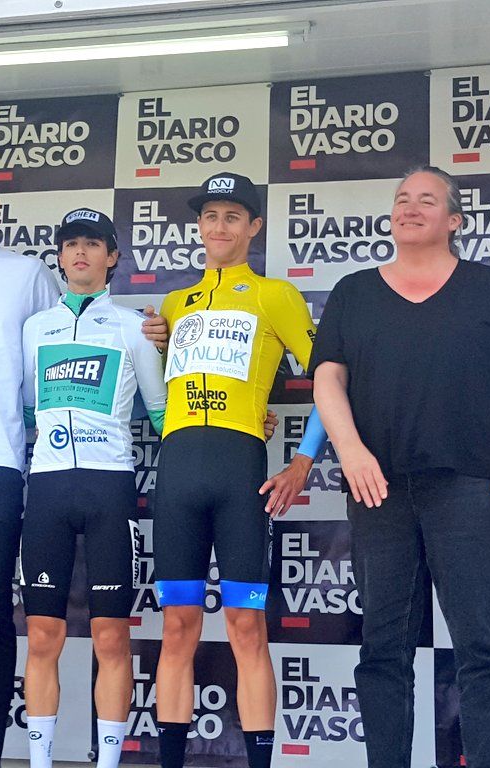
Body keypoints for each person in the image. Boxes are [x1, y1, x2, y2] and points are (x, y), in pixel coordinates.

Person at [0, 153, 168, 768]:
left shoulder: (65, 295)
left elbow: (163, 412)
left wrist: (239, 416)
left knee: (12, 619)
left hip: (14, 469)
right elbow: (29, 395)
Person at [310, 166, 490, 768]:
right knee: (383, 651)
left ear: (454, 221)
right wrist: (352, 451)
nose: (410, 207)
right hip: (379, 490)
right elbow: (327, 380)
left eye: (426, 199)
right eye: (401, 199)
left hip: (475, 489)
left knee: (482, 650)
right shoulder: (353, 292)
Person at [153, 172, 326, 768]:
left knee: (246, 626)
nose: (219, 226)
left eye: (232, 216)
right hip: (177, 473)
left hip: (239, 472)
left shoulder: (276, 295)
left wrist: (303, 459)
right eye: (210, 216)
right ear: (198, 227)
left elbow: (332, 380)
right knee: (177, 626)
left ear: (254, 226)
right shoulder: (173, 305)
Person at [19, 207, 167, 768]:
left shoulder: (133, 327)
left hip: (110, 488)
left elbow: (162, 414)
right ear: (59, 257)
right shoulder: (36, 328)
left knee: (111, 636)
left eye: (92, 243)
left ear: (112, 257)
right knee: (41, 635)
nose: (80, 252)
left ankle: (107, 763)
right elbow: (28, 409)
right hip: (48, 489)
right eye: (70, 244)